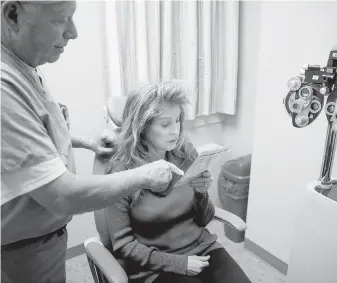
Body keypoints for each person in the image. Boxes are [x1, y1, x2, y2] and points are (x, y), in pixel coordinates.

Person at [1, 2, 183, 283]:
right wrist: (146, 175)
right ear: (13, 14)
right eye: (61, 20)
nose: (73, 32)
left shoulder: (25, 66)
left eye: (177, 120)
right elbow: (63, 195)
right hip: (24, 248)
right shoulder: (5, 87)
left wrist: (87, 144)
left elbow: (33, 137)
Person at [104, 81, 252, 283]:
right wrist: (179, 263)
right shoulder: (122, 172)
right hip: (155, 266)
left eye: (177, 121)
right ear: (142, 127)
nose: (175, 131)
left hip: (202, 247)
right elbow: (124, 245)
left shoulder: (185, 153)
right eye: (165, 124)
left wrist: (201, 193)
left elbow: (203, 220)